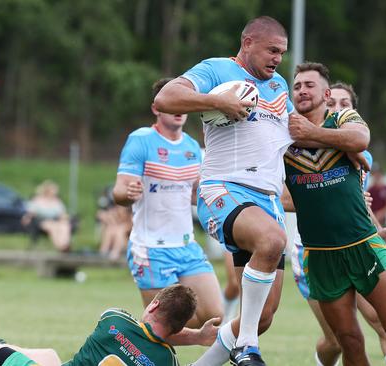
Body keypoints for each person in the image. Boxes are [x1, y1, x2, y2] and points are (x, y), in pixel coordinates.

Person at [154, 16, 294, 366]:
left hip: (268, 201)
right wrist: (217, 102)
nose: (278, 58)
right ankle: (246, 349)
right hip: (224, 189)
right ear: (248, 43)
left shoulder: (278, 86)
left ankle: (220, 355)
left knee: (262, 316)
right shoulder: (217, 69)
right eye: (272, 50)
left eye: (282, 52)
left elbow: (295, 133)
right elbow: (166, 96)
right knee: (273, 240)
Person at [285, 62, 386, 366]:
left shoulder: (343, 117)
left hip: (363, 244)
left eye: (310, 85)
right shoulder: (283, 133)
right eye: (297, 86)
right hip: (320, 254)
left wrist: (311, 133)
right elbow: (280, 192)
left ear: (326, 92)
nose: (303, 90)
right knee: (348, 340)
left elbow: (360, 140)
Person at [113, 78, 224, 330]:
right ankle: (135, 345)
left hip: (186, 246)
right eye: (173, 103)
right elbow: (119, 191)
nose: (179, 110)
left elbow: (195, 194)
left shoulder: (191, 147)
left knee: (215, 318)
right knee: (162, 326)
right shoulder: (141, 140)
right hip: (150, 249)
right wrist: (126, 192)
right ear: (156, 108)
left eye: (184, 104)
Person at [0, 287, 218, 366]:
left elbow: (145, 333)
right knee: (50, 356)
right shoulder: (167, 361)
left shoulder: (114, 319)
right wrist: (200, 338)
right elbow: (157, 340)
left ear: (153, 305)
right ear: (180, 325)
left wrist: (194, 337)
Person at [21, 180, 71, 252]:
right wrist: (27, 218)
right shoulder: (38, 200)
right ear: (47, 191)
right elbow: (31, 212)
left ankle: (65, 244)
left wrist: (65, 219)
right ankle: (61, 247)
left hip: (55, 221)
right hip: (41, 221)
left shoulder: (57, 201)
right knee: (53, 227)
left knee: (64, 225)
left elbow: (62, 214)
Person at [97, 185, 132, 260]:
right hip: (116, 235)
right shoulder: (112, 208)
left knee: (120, 229)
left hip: (127, 238)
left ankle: (114, 253)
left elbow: (128, 224)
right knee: (111, 229)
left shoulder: (127, 208)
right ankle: (103, 253)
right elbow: (101, 215)